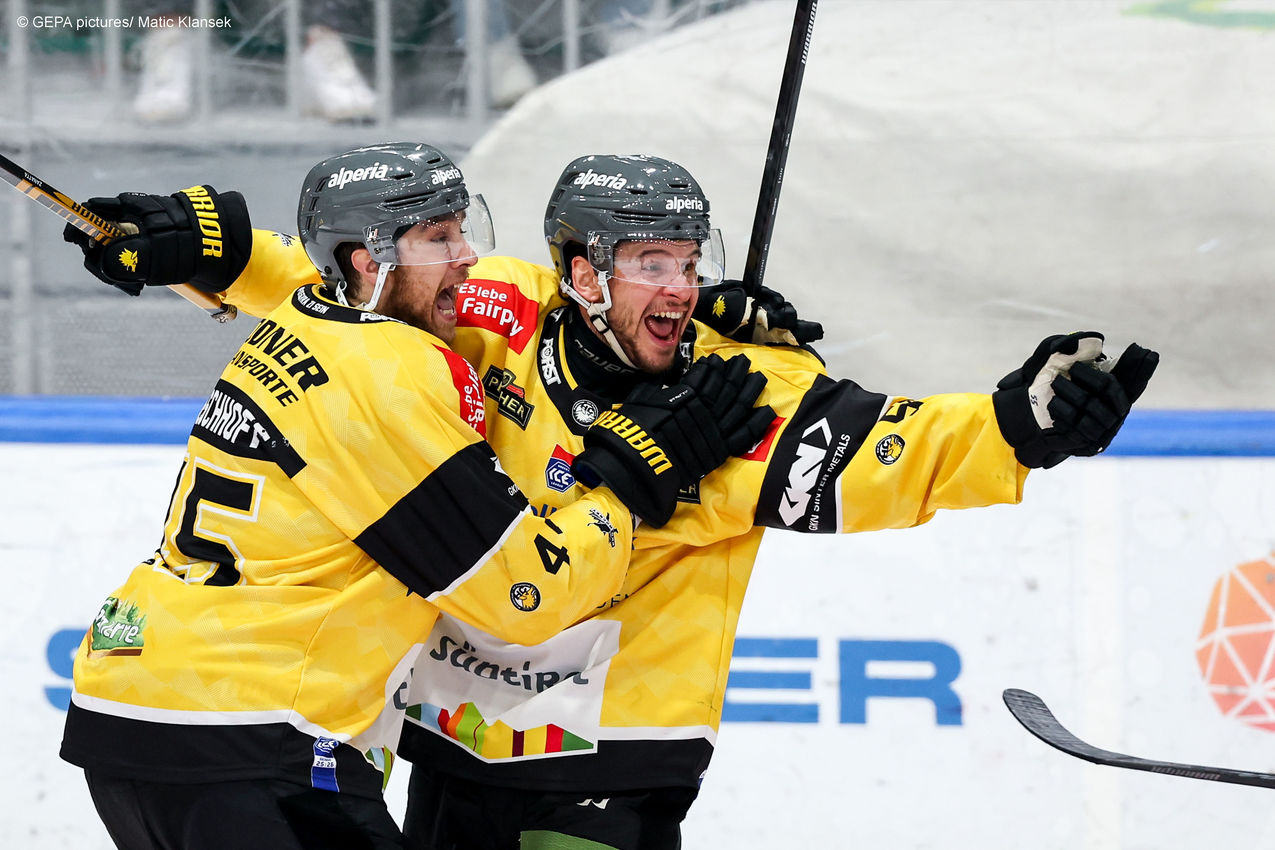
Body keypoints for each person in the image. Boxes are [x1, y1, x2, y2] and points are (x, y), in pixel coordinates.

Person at [67, 152, 1158, 849]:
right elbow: (366, 300)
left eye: (688, 261)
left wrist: (1017, 428)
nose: (680, 287)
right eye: (649, 262)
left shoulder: (734, 392)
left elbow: (891, 451)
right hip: (456, 739)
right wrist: (217, 259)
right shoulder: (499, 310)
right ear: (580, 273)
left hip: (604, 769)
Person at [57, 144, 775, 850]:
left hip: (135, 707)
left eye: (463, 229)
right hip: (257, 736)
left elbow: (315, 271)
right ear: (369, 262)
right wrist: (631, 473)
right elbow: (523, 594)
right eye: (439, 238)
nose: (467, 256)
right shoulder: (394, 375)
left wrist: (228, 250)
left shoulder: (299, 321)